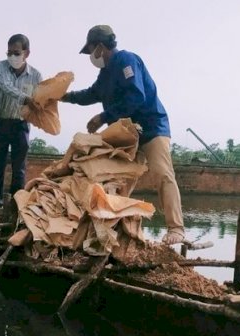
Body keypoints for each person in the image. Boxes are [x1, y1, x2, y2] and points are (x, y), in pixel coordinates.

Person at [61, 25, 185, 245]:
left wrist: (103, 116)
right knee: (120, 179)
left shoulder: (126, 60)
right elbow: (91, 94)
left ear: (100, 46)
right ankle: (115, 228)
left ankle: (176, 229)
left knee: (162, 174)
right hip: (128, 135)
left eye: (91, 51)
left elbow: (136, 96)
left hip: (151, 127)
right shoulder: (105, 73)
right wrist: (64, 96)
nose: (91, 56)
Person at [0, 33, 43, 207]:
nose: (12, 56)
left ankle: (16, 209)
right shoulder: (1, 67)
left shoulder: (36, 76)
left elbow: (41, 99)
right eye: (9, 53)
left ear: (26, 53)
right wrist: (26, 99)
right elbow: (6, 87)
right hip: (1, 123)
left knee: (19, 169)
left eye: (16, 52)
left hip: (21, 125)